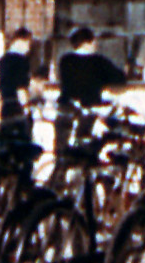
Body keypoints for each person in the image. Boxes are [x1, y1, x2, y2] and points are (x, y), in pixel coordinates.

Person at [55, 26, 128, 162]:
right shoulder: (99, 61)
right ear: (89, 42)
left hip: (65, 110)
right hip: (87, 112)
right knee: (88, 151)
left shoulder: (65, 60)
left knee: (63, 154)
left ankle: (60, 173)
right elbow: (120, 79)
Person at [0, 26, 35, 147]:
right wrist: (26, 109)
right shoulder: (21, 60)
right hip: (18, 107)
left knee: (6, 143)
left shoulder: (2, 60)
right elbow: (21, 88)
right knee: (23, 145)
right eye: (28, 44)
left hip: (5, 106)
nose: (28, 49)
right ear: (22, 41)